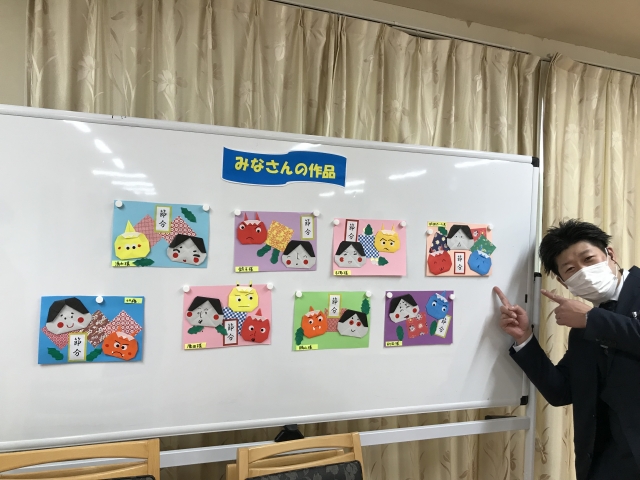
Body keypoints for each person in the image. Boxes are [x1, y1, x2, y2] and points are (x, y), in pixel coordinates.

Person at [494, 219, 640, 480]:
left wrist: (592, 319)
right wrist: (525, 338)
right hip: (607, 463)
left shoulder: (589, 320)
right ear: (564, 283)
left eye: (589, 259)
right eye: (571, 269)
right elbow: (561, 391)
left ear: (610, 254)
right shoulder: (584, 327)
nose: (584, 271)